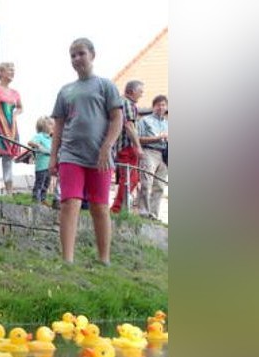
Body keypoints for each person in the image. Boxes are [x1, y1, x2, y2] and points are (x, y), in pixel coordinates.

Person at [49, 38, 123, 265]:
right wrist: (54, 156)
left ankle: (104, 259)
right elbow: (59, 126)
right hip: (71, 155)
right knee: (69, 203)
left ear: (92, 55)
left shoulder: (105, 85)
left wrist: (107, 147)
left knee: (100, 206)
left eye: (81, 53)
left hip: (100, 157)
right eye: (72, 55)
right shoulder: (65, 91)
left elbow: (117, 118)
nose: (76, 59)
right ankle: (67, 260)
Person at [0, 61, 24, 194]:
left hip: (11, 128)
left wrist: (15, 115)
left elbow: (20, 107)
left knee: (8, 160)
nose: (12, 72)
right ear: (1, 72)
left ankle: (9, 192)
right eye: (9, 69)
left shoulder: (15, 92)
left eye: (13, 70)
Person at [111, 80, 145, 213]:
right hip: (127, 147)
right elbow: (129, 126)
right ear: (131, 91)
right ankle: (117, 208)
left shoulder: (120, 102)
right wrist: (138, 147)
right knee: (129, 178)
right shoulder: (127, 103)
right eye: (140, 92)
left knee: (132, 178)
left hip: (121, 147)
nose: (141, 95)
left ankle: (120, 207)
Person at [137, 94, 169, 220]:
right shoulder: (144, 120)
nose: (161, 108)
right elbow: (138, 139)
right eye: (158, 105)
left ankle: (154, 214)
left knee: (160, 186)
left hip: (164, 155)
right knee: (146, 183)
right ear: (153, 107)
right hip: (149, 152)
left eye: (163, 105)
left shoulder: (168, 123)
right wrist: (158, 137)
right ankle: (143, 212)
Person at [27, 116, 54, 204]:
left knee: (46, 183)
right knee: (40, 183)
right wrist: (39, 146)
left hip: (49, 166)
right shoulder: (40, 136)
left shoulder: (51, 138)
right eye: (50, 124)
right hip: (41, 166)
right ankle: (36, 199)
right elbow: (30, 142)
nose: (53, 126)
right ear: (43, 126)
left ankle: (43, 199)